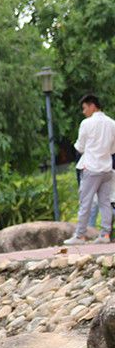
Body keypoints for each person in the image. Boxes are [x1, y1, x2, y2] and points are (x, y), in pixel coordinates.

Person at [64, 94, 115, 245]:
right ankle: (105, 235)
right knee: (105, 202)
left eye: (84, 108)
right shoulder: (112, 123)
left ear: (92, 105)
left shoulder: (86, 123)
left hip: (91, 168)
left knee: (85, 202)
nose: (83, 111)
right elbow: (113, 149)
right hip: (107, 168)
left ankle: (80, 235)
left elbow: (79, 147)